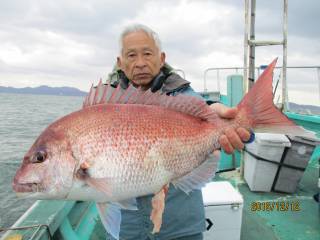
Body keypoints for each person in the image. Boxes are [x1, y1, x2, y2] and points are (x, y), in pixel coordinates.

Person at [105, 24, 251, 240]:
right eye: (131, 55)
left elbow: (201, 107)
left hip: (180, 226)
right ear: (120, 62)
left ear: (161, 58)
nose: (140, 63)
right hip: (126, 228)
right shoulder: (106, 105)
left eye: (147, 53)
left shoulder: (183, 95)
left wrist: (230, 122)